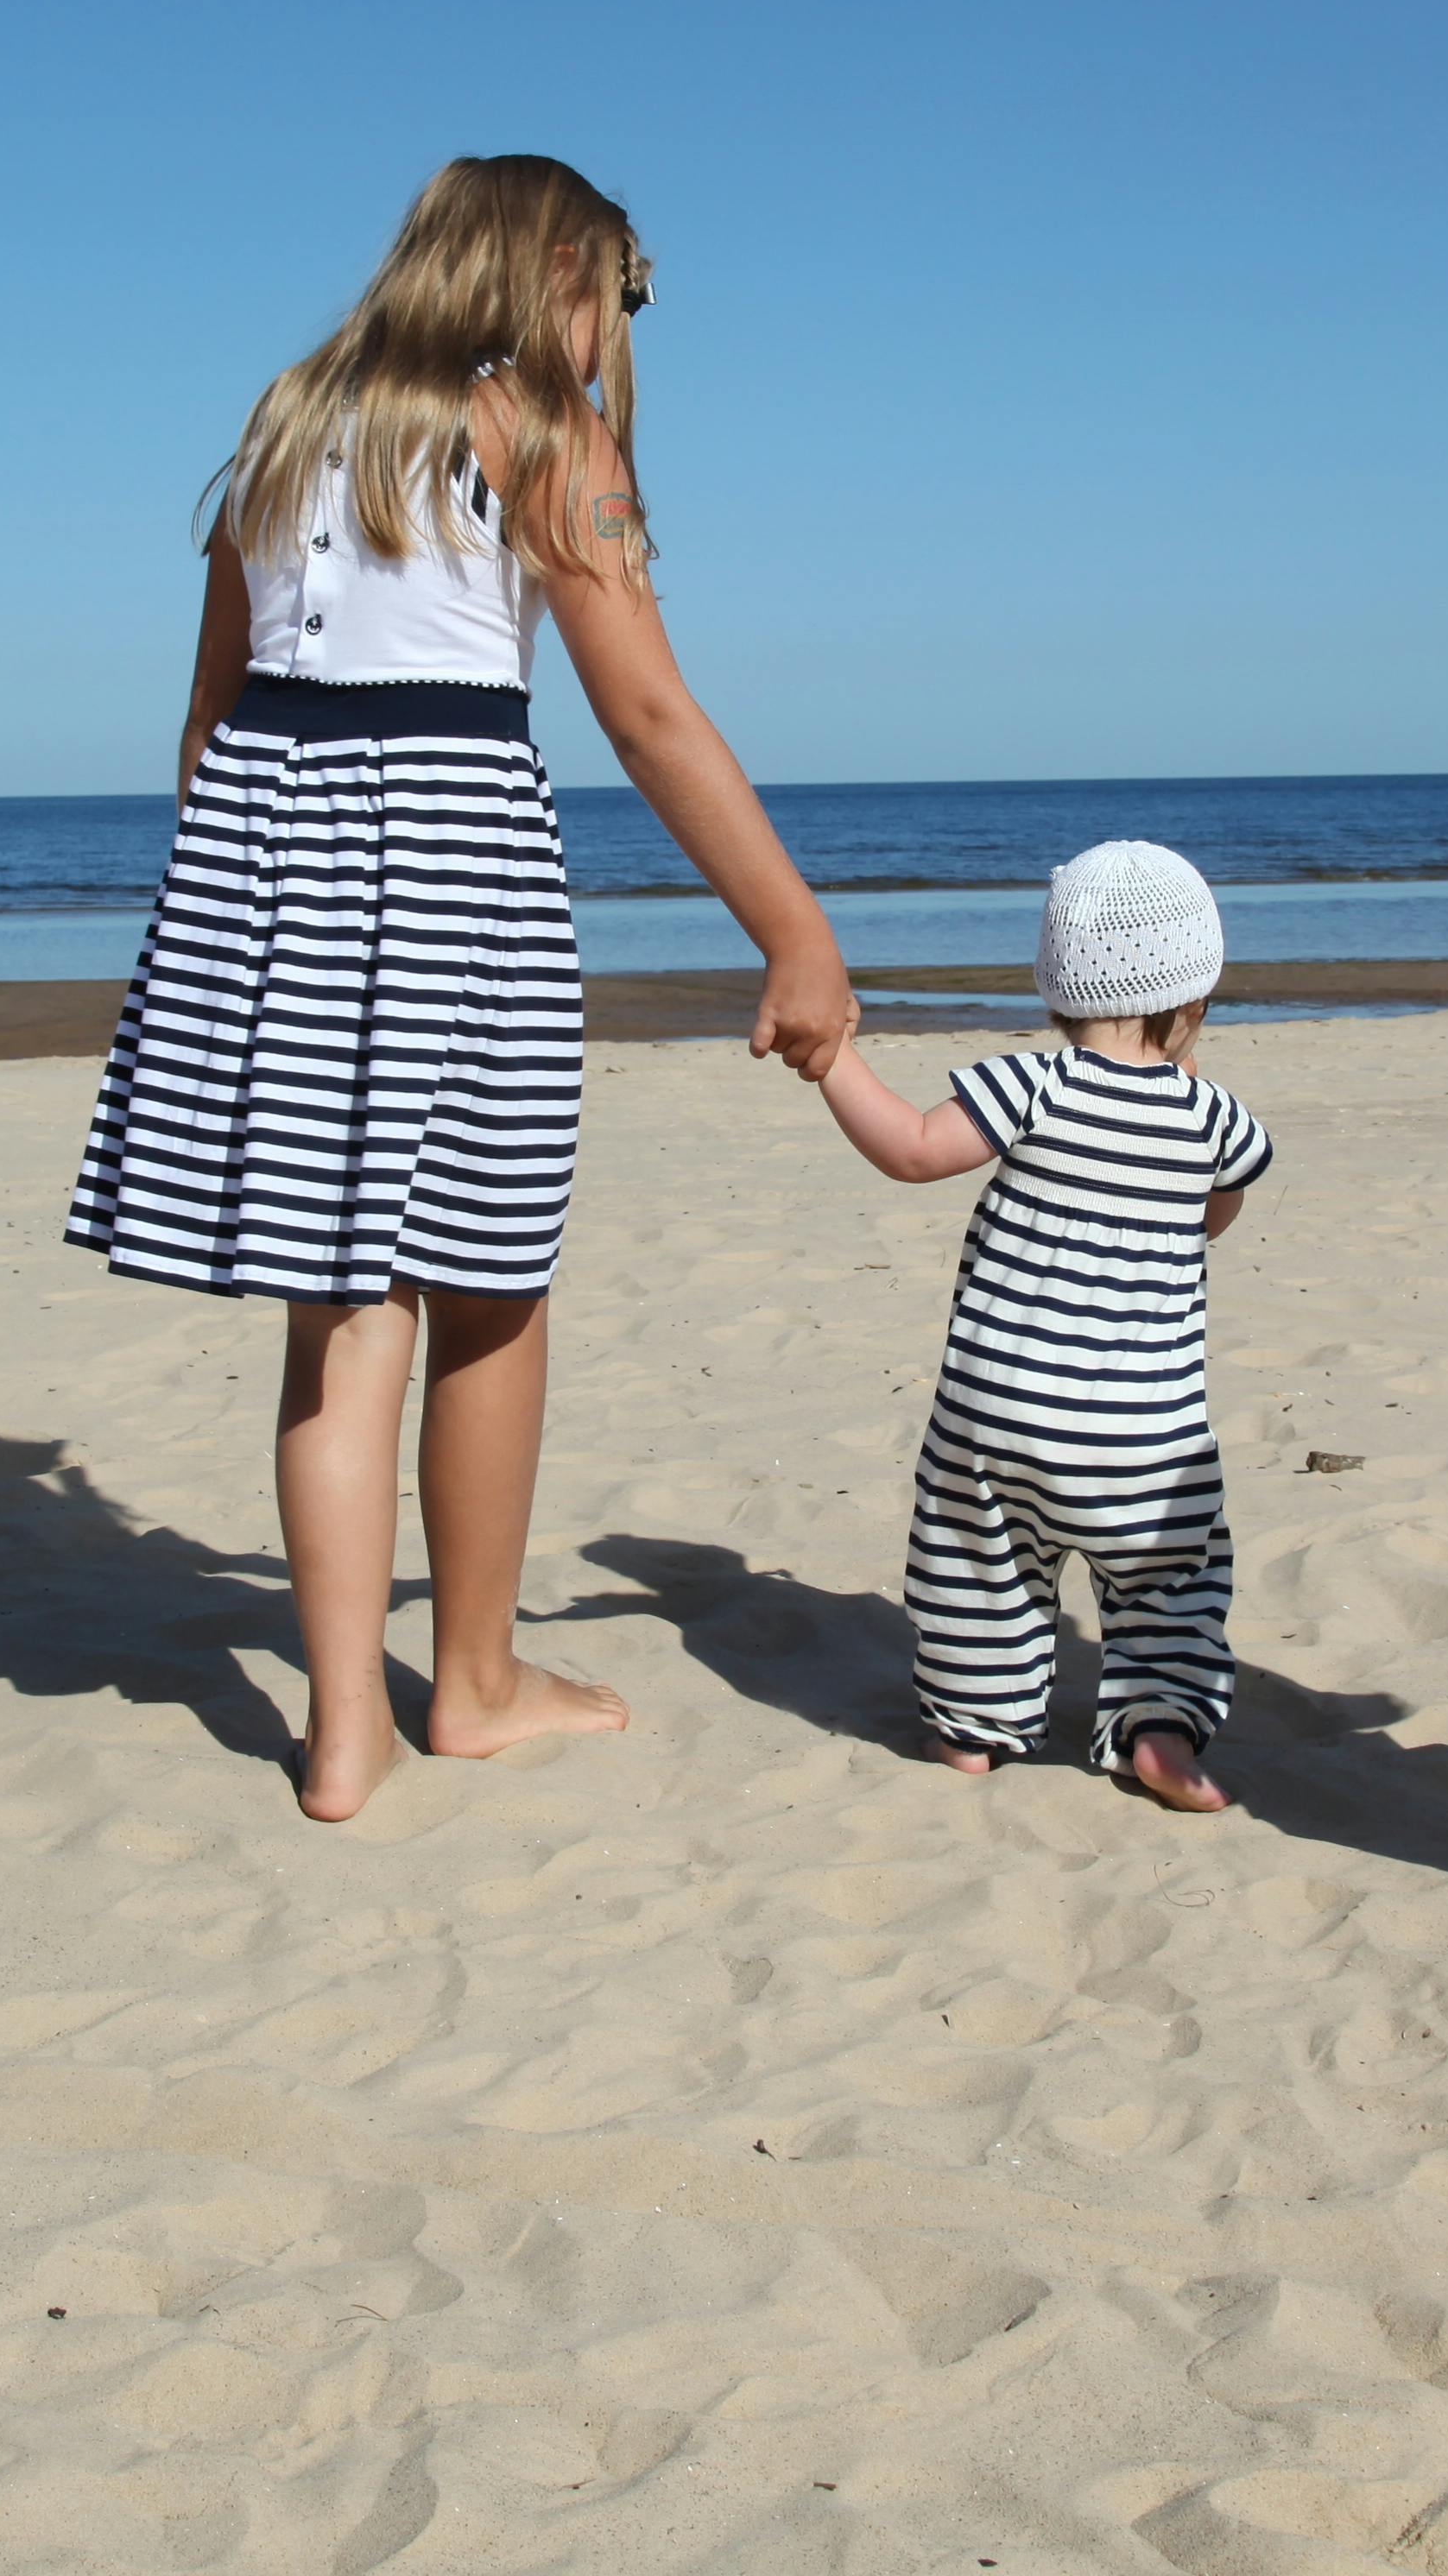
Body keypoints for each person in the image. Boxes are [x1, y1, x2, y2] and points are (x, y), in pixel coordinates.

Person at [66, 155, 859, 1822]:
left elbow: (210, 714)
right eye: (623, 292)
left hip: (264, 867)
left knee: (343, 1310)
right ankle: (475, 1681)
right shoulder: (537, 426)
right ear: (557, 273)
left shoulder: (289, 414)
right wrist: (792, 926)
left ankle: (342, 1725)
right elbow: (645, 712)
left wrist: (238, 925)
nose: (622, 325)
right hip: (450, 861)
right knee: (489, 1276)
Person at [813, 842, 1271, 1809]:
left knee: (979, 1568)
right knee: (1168, 1583)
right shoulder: (1217, 1121)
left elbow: (912, 1149)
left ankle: (971, 1735)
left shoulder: (1031, 1084)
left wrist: (834, 1059)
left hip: (999, 1412)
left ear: (1057, 990)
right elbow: (1211, 1218)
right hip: (1149, 1434)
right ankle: (1159, 1733)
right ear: (1197, 1001)